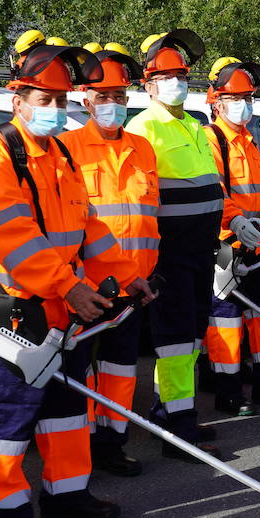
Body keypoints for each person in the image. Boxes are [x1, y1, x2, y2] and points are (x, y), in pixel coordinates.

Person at [0, 42, 151, 518]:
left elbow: (87, 227)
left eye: (59, 99)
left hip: (61, 306)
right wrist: (70, 285)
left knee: (66, 407)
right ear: (17, 101)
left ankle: (67, 493)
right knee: (6, 416)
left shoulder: (61, 153)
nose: (53, 109)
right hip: (14, 310)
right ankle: (5, 513)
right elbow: (10, 235)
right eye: (43, 99)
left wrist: (126, 273)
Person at [59, 45, 160, 477]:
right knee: (79, 369)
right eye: (104, 96)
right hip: (86, 287)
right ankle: (76, 445)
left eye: (120, 95)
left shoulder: (143, 148)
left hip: (135, 282)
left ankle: (112, 441)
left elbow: (150, 214)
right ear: (86, 99)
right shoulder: (66, 148)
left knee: (121, 368)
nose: (113, 104)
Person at [124, 30, 225, 457]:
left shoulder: (195, 124)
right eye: (165, 76)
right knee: (175, 337)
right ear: (148, 84)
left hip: (200, 250)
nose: (176, 82)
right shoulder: (143, 128)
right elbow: (136, 202)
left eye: (180, 74)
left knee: (191, 332)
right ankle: (178, 425)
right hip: (169, 254)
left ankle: (170, 411)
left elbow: (209, 185)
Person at [202, 56, 260, 415]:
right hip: (225, 247)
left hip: (257, 246)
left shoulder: (249, 142)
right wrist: (238, 222)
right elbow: (214, 193)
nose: (244, 105)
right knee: (226, 320)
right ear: (217, 102)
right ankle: (229, 390)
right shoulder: (212, 140)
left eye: (248, 97)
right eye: (236, 98)